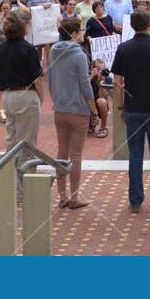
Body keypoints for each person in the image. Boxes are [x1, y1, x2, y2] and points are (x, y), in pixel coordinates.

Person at [111, 9, 150, 213]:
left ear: (132, 26)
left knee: (135, 155)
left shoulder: (123, 48)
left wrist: (120, 105)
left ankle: (135, 200)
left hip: (133, 107)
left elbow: (117, 81)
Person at [48, 18, 97, 209]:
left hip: (60, 108)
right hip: (78, 109)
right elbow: (85, 85)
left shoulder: (53, 51)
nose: (83, 33)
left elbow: (50, 79)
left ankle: (62, 196)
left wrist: (56, 99)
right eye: (81, 31)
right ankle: (74, 197)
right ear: (74, 33)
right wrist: (93, 110)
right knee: (76, 155)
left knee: (62, 152)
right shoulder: (79, 55)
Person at [0, 14, 47, 174]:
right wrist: (42, 97)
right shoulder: (29, 49)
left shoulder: (2, 48)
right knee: (27, 142)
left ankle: (9, 177)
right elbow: (37, 79)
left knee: (11, 139)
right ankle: (26, 180)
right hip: (26, 94)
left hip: (8, 95)